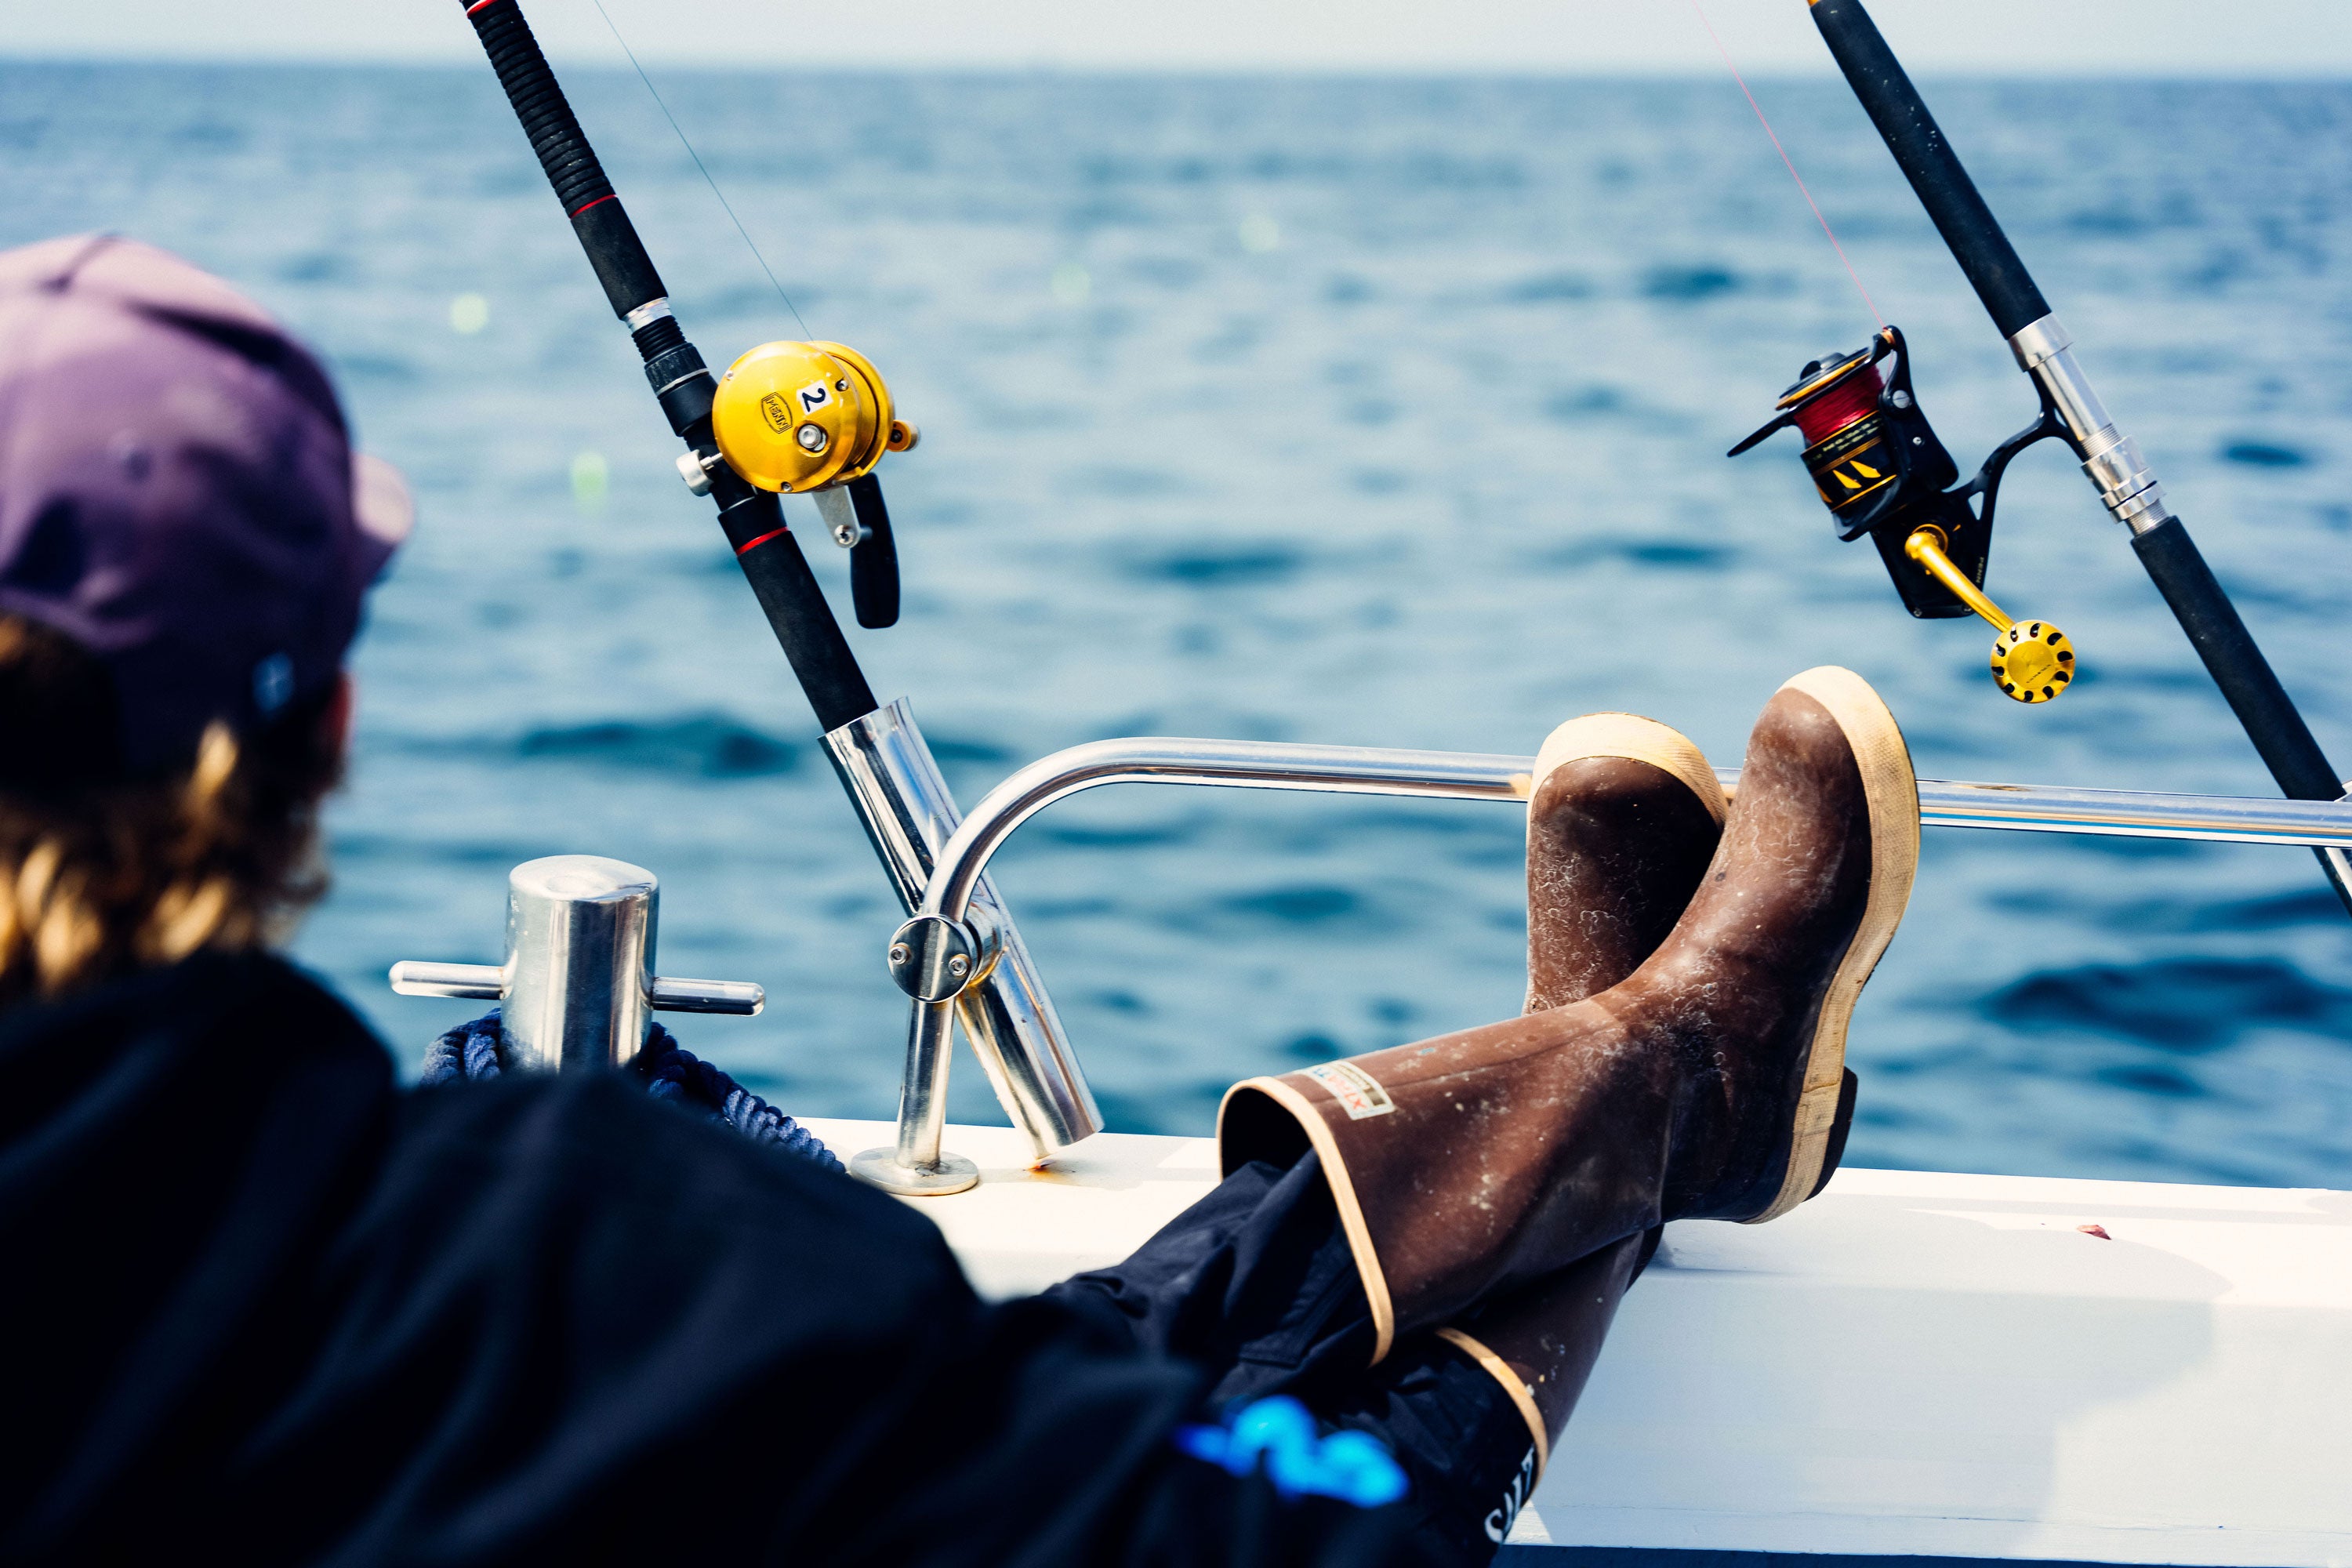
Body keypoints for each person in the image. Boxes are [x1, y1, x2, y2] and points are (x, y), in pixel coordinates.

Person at [0, 235, 1917, 1566]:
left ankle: (1657, 1086)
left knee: (1032, 1389)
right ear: (321, 724)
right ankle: (1669, 1075)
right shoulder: (537, 1271)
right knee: (1085, 1425)